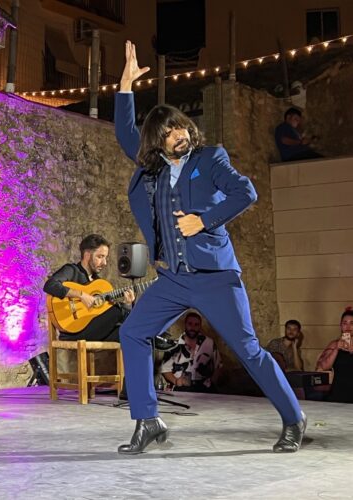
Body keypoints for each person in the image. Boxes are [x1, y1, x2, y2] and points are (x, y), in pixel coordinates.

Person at [113, 40, 305, 455]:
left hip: (216, 277)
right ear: (158, 143)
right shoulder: (153, 170)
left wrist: (204, 220)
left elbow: (246, 192)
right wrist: (126, 85)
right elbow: (128, 135)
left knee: (250, 351)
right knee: (133, 331)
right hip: (173, 278)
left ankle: (293, 418)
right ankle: (148, 420)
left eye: (179, 126)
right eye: (167, 133)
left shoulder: (210, 158)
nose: (177, 134)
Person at [43, 234, 134, 342]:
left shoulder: (99, 283)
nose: (104, 263)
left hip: (94, 330)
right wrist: (81, 295)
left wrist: (127, 304)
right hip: (73, 332)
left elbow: (106, 315)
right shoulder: (71, 270)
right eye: (100, 257)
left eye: (105, 257)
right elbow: (50, 285)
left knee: (127, 332)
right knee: (117, 311)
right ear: (87, 255)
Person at [160, 312, 221, 392]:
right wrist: (176, 381)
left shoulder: (209, 343)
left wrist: (211, 384)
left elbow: (219, 366)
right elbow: (165, 369)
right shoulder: (175, 345)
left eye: (196, 324)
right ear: (185, 324)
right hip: (181, 388)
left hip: (203, 389)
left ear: (200, 326)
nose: (193, 327)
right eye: (190, 324)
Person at [315, 308, 353, 403]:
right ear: (340, 326)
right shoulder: (334, 344)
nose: (348, 326)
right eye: (345, 323)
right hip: (339, 392)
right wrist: (336, 349)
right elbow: (322, 366)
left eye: (352, 323)